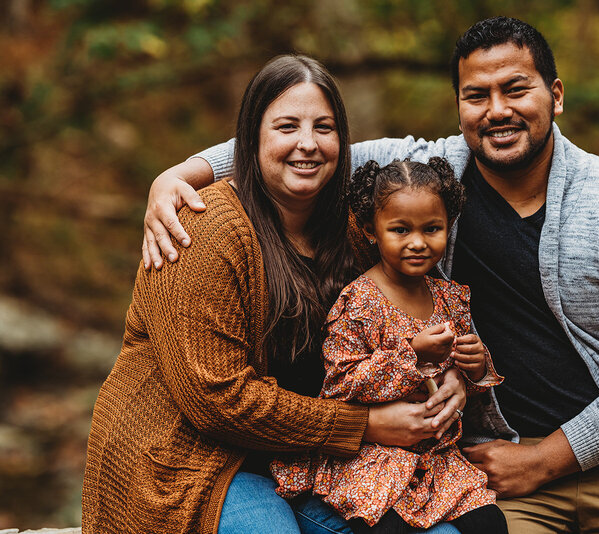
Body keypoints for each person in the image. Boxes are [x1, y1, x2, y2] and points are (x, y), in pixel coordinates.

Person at [141, 17, 599, 533]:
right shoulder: (427, 179)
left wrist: (546, 459)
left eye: (516, 89)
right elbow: (304, 145)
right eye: (477, 95)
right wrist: (179, 175)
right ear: (459, 105)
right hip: (495, 466)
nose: (497, 110)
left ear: (556, 95)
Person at [82, 54, 466, 534]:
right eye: (287, 126)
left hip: (302, 454)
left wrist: (450, 377)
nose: (307, 144)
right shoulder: (205, 230)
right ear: (250, 138)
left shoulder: (352, 230)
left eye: (323, 128)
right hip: (187, 459)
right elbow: (218, 401)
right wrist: (363, 425)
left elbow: (391, 335)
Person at [270, 158, 508, 534]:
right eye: (400, 229)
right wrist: (411, 354)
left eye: (433, 229)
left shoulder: (449, 297)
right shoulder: (359, 302)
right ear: (371, 230)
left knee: (490, 523)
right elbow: (341, 385)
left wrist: (475, 369)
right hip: (372, 459)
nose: (417, 242)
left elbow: (466, 386)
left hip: (438, 459)